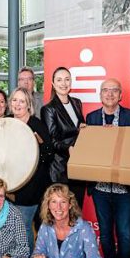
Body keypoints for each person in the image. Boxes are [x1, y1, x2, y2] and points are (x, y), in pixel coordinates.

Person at [85, 78, 130, 258]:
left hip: (125, 190)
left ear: (120, 95)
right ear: (100, 95)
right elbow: (89, 151)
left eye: (114, 90)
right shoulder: (91, 118)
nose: (109, 94)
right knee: (106, 236)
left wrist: (116, 136)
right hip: (100, 188)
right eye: (105, 90)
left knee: (126, 236)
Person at [8, 87, 52, 252]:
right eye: (14, 100)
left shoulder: (36, 125)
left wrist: (39, 146)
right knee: (13, 229)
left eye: (22, 101)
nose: (17, 104)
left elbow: (48, 156)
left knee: (23, 227)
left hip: (31, 187)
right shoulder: (6, 122)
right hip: (9, 186)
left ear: (29, 105)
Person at [40, 67, 86, 204]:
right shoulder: (48, 109)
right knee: (61, 213)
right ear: (53, 84)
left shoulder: (77, 103)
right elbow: (52, 141)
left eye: (67, 79)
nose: (63, 83)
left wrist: (83, 129)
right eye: (59, 80)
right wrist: (68, 148)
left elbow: (79, 129)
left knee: (77, 210)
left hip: (78, 166)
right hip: (60, 170)